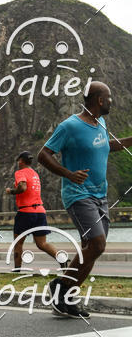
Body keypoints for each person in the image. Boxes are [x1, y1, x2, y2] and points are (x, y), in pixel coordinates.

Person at [38, 81, 132, 318]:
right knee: (98, 245)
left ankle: (67, 298)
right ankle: (59, 286)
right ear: (99, 100)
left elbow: (106, 147)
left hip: (101, 196)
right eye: (109, 97)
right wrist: (69, 174)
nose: (111, 101)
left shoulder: (101, 122)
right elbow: (43, 154)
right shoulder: (70, 126)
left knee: (90, 249)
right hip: (79, 196)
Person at [5, 150, 64, 272]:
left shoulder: (20, 172)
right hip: (40, 212)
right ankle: (62, 259)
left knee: (18, 243)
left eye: (18, 161)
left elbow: (22, 187)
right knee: (42, 244)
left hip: (26, 212)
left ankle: (17, 271)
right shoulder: (35, 174)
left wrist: (11, 191)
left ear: (21, 161)